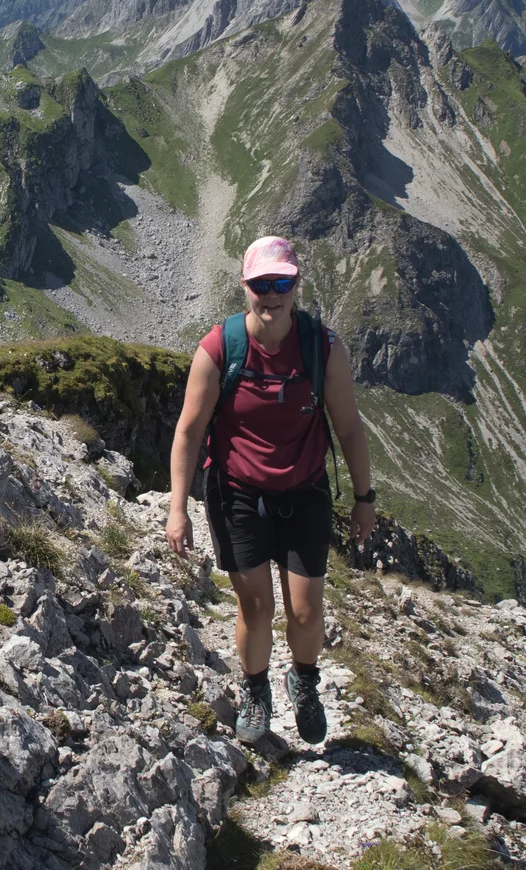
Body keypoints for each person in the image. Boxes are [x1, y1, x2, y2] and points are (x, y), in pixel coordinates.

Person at [165, 235, 375, 747]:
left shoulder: (323, 349)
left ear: (296, 284)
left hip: (304, 490)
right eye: (262, 284)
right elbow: (189, 431)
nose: (271, 293)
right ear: (245, 287)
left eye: (281, 282)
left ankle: (303, 681)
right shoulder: (220, 349)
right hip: (237, 492)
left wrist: (365, 499)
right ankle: (256, 690)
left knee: (306, 611)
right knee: (255, 607)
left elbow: (349, 428)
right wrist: (178, 508)